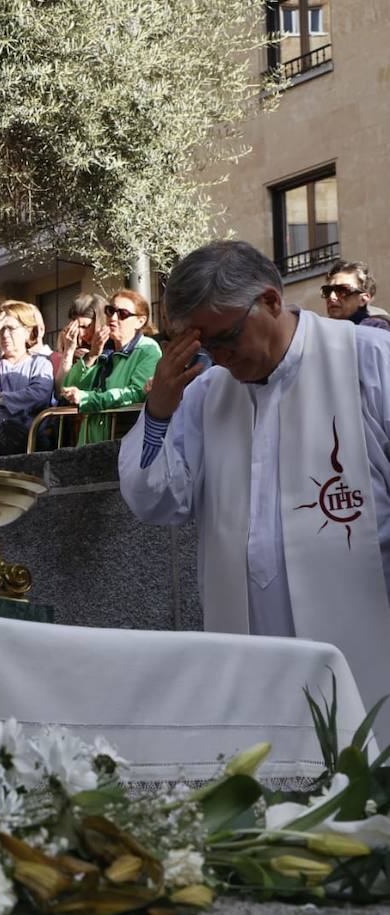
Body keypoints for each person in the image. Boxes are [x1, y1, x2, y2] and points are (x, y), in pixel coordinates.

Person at [119, 240, 390, 733]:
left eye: (227, 337)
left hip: (368, 648)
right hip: (249, 663)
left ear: (269, 301)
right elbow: (156, 501)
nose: (219, 357)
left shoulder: (369, 362)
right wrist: (158, 411)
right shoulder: (203, 394)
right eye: (204, 346)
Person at [58, 289, 161, 445]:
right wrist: (92, 354)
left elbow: (136, 394)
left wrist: (87, 398)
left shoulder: (148, 349)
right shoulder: (102, 349)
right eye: (110, 311)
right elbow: (68, 387)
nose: (113, 318)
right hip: (90, 441)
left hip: (124, 441)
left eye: (123, 314)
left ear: (140, 321)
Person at [0, 301, 55, 456]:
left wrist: (0, 399)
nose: (5, 335)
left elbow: (38, 394)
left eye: (11, 329)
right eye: (1, 330)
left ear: (27, 331)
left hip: (27, 445)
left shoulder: (40, 363)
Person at [322, 259, 390, 331]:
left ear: (363, 299)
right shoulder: (322, 332)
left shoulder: (378, 328)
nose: (331, 296)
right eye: (327, 290)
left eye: (342, 290)